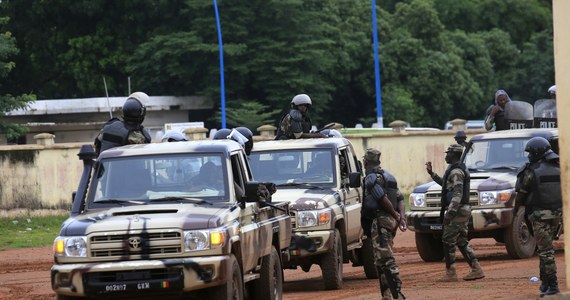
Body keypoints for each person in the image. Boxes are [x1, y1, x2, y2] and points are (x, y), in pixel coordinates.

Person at [425, 144, 485, 282]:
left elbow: (457, 195)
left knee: (447, 240)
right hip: (461, 210)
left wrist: (450, 214)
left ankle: (451, 273)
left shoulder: (456, 172)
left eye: (448, 153)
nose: (445, 155)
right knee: (461, 240)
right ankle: (476, 269)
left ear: (454, 155)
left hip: (458, 211)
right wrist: (432, 174)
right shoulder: (454, 170)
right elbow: (446, 186)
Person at [513, 137, 562, 297]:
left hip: (539, 216)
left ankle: (553, 285)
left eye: (530, 153)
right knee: (543, 249)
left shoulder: (531, 171)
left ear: (537, 153)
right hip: (556, 215)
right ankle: (544, 283)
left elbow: (521, 194)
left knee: (546, 251)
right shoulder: (559, 167)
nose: (528, 156)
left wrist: (515, 211)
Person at [361, 148, 406, 299]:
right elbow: (400, 198)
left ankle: (397, 294)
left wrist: (396, 215)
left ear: (365, 162)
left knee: (386, 260)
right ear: (378, 162)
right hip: (389, 223)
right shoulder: (388, 176)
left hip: (380, 222)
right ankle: (386, 295)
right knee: (381, 260)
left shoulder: (371, 178)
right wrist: (401, 217)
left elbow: (380, 198)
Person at [94, 92, 151, 156]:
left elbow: (97, 144)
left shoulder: (108, 127)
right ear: (141, 113)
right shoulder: (141, 135)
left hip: (104, 164)